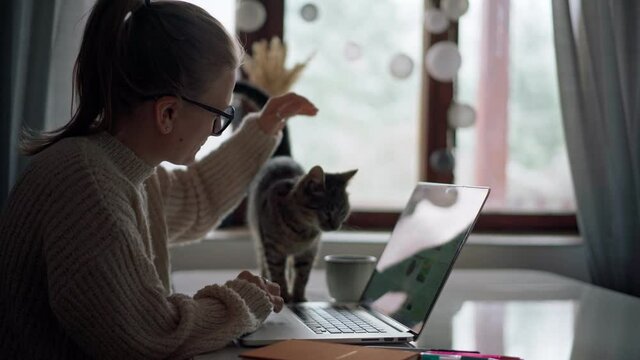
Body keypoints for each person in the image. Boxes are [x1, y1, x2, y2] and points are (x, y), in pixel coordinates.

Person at [0, 0, 318, 358]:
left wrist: (263, 128)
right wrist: (243, 302)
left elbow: (195, 200)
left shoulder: (121, 168)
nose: (217, 128)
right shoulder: (87, 186)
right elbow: (149, 335)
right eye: (219, 114)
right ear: (167, 113)